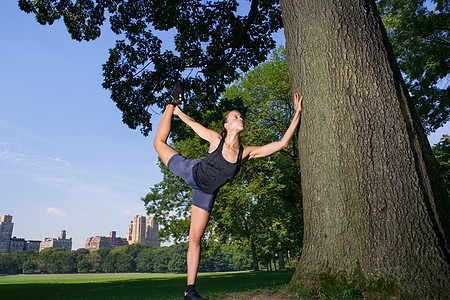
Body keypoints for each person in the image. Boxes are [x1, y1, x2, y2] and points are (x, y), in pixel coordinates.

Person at [153, 83, 303, 300]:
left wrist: (297, 113)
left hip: (206, 194)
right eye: (234, 117)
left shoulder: (246, 153)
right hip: (192, 171)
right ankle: (170, 103)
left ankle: (190, 290)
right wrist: (178, 111)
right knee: (159, 143)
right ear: (225, 124)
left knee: (195, 238)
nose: (240, 119)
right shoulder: (216, 139)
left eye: (241, 116)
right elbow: (193, 124)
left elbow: (282, 143)